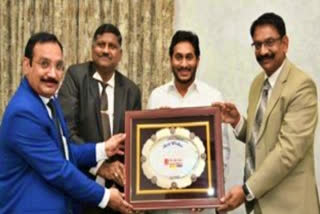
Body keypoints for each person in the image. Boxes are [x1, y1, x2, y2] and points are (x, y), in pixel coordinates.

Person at [0, 32, 133, 213]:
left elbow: (65, 153)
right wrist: (106, 197)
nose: (52, 74)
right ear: (27, 65)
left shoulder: (50, 101)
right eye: (44, 64)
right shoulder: (23, 113)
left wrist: (103, 149)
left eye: (59, 66)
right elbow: (60, 170)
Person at [214, 13, 319, 214]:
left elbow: (288, 151)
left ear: (285, 43)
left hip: (291, 207)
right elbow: (261, 138)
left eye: (269, 43)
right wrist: (237, 122)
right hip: (261, 206)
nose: (263, 51)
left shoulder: (302, 86)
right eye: (257, 45)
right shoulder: (257, 84)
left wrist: (245, 191)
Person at [58, 23, 141, 213]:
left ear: (120, 54)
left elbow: (135, 145)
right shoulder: (76, 76)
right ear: (93, 49)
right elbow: (66, 133)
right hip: (81, 186)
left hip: (119, 194)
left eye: (112, 46)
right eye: (101, 44)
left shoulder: (131, 91)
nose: (105, 50)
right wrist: (100, 165)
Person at [147, 30, 231, 214]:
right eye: (178, 57)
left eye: (189, 57)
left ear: (197, 60)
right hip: (163, 204)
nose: (184, 64)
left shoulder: (213, 97)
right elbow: (148, 148)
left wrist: (209, 189)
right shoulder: (157, 97)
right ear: (170, 59)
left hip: (200, 206)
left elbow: (222, 150)